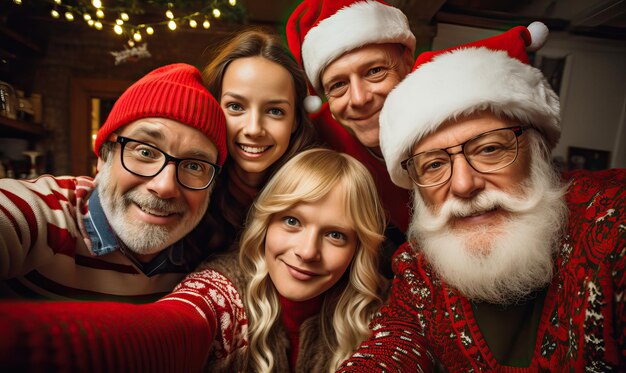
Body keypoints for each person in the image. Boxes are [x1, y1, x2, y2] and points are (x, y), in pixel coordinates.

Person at [337, 23, 626, 371]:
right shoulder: (419, 269)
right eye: (433, 165)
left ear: (536, 153)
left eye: (489, 149)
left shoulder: (610, 220)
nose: (462, 184)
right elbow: (390, 349)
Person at [0, 148, 388, 372]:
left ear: (359, 247)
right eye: (291, 221)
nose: (307, 250)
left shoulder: (383, 311)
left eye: (336, 234)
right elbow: (172, 328)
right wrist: (30, 344)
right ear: (265, 223)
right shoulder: (224, 285)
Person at [0, 63, 227, 302]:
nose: (165, 186)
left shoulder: (208, 250)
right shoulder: (44, 214)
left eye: (194, 166)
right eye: (146, 152)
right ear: (103, 156)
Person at [285, 0, 416, 277]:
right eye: (338, 85)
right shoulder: (315, 142)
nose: (359, 99)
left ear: (407, 63)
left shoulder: (460, 120)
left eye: (374, 71)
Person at [187, 28, 319, 256]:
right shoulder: (186, 183)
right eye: (236, 107)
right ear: (213, 108)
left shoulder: (318, 192)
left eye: (275, 111)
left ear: (296, 120)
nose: (254, 129)